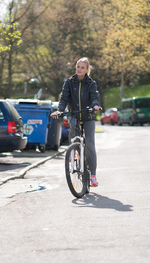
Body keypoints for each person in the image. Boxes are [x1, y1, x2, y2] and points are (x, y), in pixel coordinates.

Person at [51, 57, 101, 187]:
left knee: (89, 143)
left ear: (87, 70)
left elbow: (94, 96)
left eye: (82, 67)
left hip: (88, 116)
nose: (79, 69)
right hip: (74, 115)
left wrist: (95, 106)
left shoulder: (91, 83)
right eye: (78, 67)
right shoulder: (69, 82)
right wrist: (59, 110)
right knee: (73, 138)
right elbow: (63, 99)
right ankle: (76, 154)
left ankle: (93, 175)